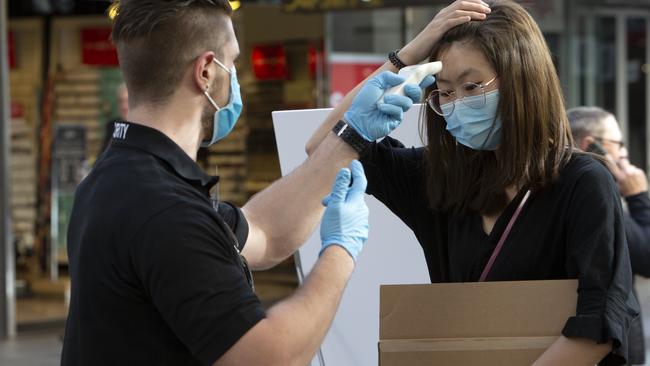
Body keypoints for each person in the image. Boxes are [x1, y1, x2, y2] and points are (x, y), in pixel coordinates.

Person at [60, 0, 429, 365]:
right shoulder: (165, 211)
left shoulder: (118, 178)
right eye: (233, 61)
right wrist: (340, 253)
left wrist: (352, 135)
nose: (235, 76)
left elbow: (265, 232)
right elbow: (268, 356)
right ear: (205, 71)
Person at [306, 0, 638, 365]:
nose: (456, 103)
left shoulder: (582, 182)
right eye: (445, 92)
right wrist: (404, 57)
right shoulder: (439, 177)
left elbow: (599, 325)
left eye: (472, 85)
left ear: (521, 78)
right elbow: (322, 146)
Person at [568, 106, 650, 365]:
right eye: (618, 143)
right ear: (591, 146)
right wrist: (639, 197)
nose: (624, 152)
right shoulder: (594, 196)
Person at [99, 82, 129, 152]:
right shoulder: (113, 126)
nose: (124, 106)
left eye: (127, 101)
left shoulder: (141, 126)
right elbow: (103, 154)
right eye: (121, 101)